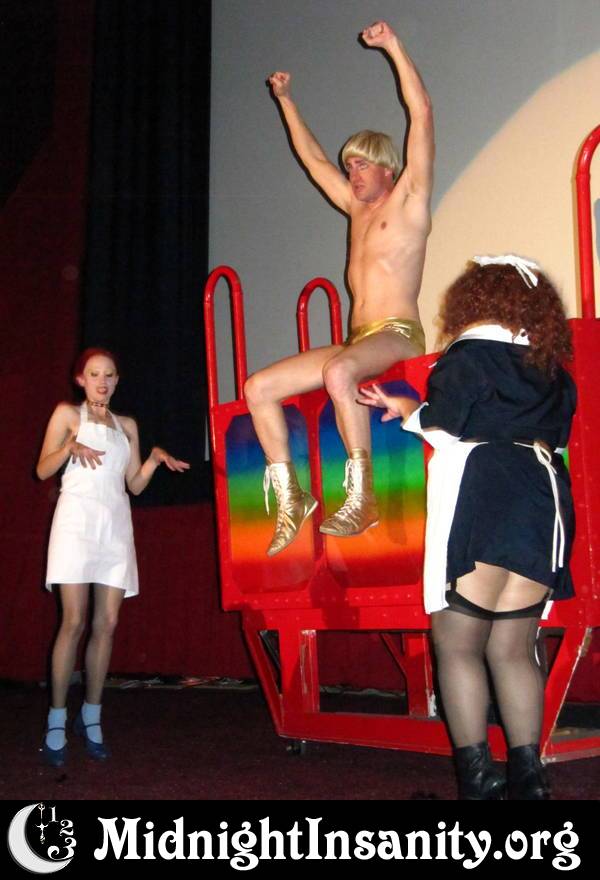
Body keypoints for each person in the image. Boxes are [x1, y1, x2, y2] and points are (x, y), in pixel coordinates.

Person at [359, 255, 576, 800]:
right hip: (544, 495)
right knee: (514, 646)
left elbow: (446, 425)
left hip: (485, 490)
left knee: (457, 642)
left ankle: (478, 784)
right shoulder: (552, 368)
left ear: (478, 300)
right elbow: (551, 433)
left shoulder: (469, 353)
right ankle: (530, 780)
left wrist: (408, 409)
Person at [244, 20, 434, 555]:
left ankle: (363, 494)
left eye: (361, 164)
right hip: (359, 339)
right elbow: (312, 159)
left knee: (340, 371)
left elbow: (421, 113)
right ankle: (292, 498)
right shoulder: (355, 208)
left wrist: (393, 46)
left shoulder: (410, 199)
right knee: (258, 388)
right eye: (349, 165)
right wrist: (286, 101)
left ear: (388, 168)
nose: (351, 174)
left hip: (398, 333)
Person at [37, 348, 190, 766]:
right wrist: (69, 447)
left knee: (106, 624)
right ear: (81, 379)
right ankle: (56, 718)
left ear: (117, 380)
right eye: (94, 374)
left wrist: (153, 460)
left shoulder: (128, 426)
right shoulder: (67, 415)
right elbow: (42, 470)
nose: (102, 381)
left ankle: (91, 716)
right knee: (73, 621)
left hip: (115, 527)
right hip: (76, 523)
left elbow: (134, 485)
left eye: (109, 375)